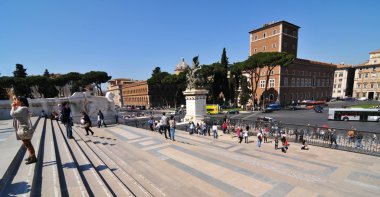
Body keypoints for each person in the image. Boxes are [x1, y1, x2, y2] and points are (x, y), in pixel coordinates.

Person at [11, 96, 37, 165]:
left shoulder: (23, 108)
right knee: (26, 143)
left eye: (17, 100)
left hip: (23, 128)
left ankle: (33, 157)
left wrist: (13, 107)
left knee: (27, 144)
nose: (15, 101)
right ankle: (30, 156)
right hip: (22, 128)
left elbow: (13, 114)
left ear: (21, 102)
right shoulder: (21, 108)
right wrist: (15, 106)